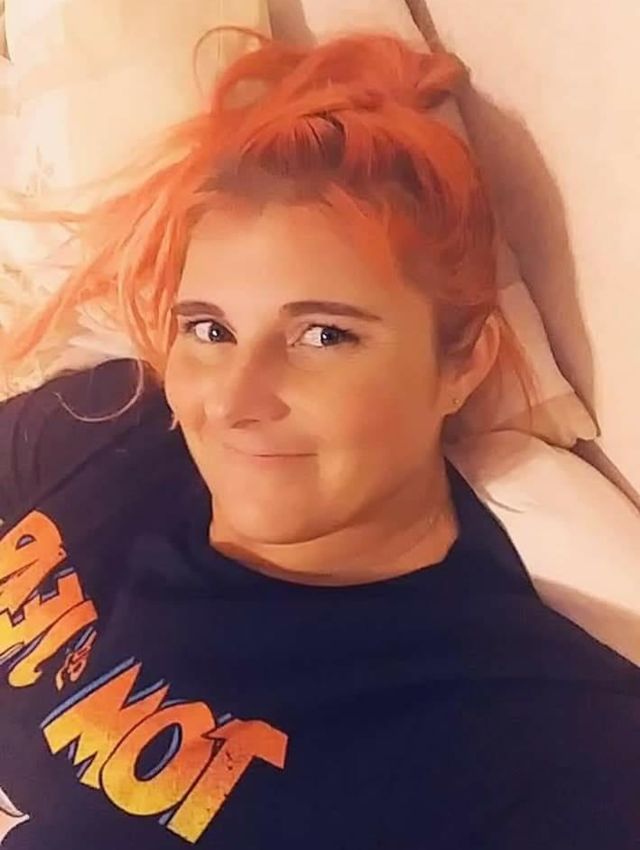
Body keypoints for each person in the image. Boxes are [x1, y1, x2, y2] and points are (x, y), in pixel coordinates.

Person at [0, 30, 639, 850]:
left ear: (462, 365)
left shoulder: (526, 743)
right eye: (210, 329)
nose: (235, 400)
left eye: (323, 336)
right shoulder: (114, 421)